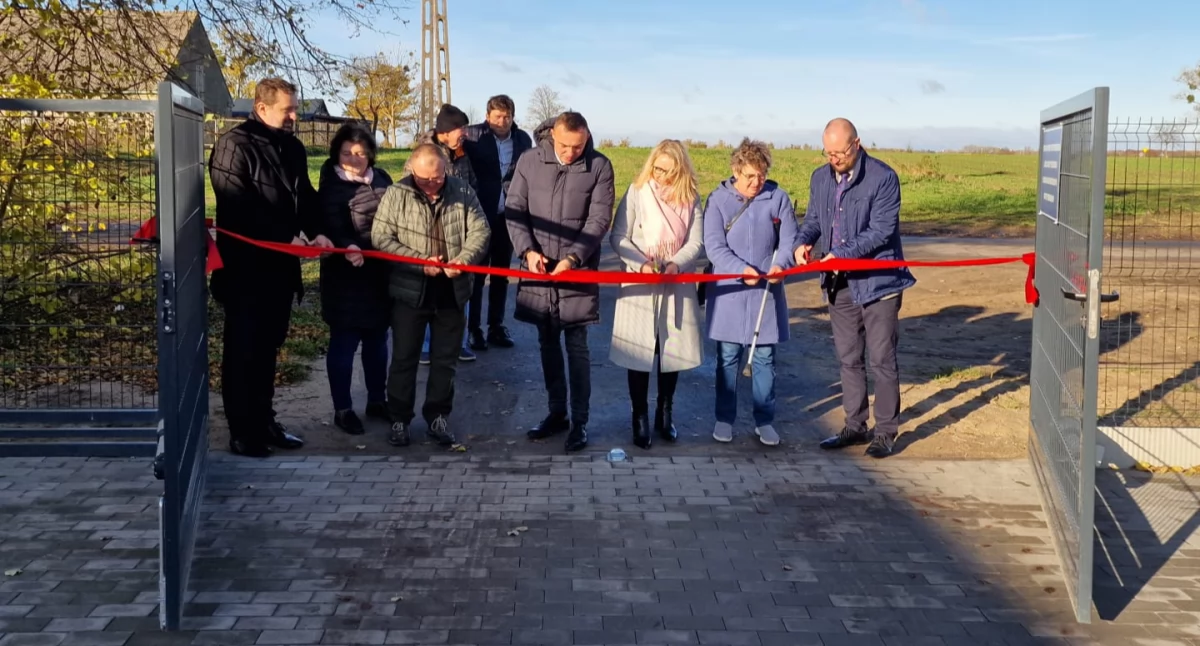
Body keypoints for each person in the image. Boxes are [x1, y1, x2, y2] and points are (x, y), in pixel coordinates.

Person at [208, 77, 334, 458]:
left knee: (268, 350)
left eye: (295, 108)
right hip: (245, 271)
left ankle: (264, 420)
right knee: (243, 351)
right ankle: (242, 431)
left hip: (281, 271)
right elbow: (236, 204)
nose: (295, 116)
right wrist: (285, 236)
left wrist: (318, 231)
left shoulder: (292, 147)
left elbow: (304, 197)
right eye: (288, 110)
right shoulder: (233, 145)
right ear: (262, 108)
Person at [795, 118, 916, 458]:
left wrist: (841, 254)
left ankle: (886, 432)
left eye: (840, 152)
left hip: (879, 284)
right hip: (840, 284)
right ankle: (855, 425)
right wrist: (803, 243)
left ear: (857, 144)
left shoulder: (883, 178)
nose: (834, 159)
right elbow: (814, 220)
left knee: (882, 359)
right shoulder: (820, 178)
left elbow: (880, 231)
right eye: (828, 153)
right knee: (848, 358)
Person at [505, 111, 615, 453]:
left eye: (578, 147)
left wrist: (573, 258)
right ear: (553, 134)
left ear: (587, 138)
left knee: (577, 347)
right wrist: (527, 251)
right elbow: (515, 209)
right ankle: (557, 412)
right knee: (547, 343)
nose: (570, 153)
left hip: (576, 272)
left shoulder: (599, 166)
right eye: (565, 146)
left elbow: (599, 219)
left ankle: (580, 421)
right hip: (538, 269)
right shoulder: (529, 160)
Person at [371, 144, 490, 448]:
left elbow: (481, 231)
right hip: (410, 292)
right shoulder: (396, 194)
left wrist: (464, 260)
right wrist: (419, 263)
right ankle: (399, 418)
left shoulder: (462, 190)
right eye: (424, 179)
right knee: (403, 358)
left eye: (437, 178)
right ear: (412, 170)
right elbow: (381, 238)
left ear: (445, 170)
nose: (432, 184)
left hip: (452, 292)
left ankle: (438, 416)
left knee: (445, 361)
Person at [609, 140, 705, 449]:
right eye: (657, 168)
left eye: (668, 171)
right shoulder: (637, 191)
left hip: (676, 281)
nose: (661, 176)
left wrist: (676, 263)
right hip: (640, 283)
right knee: (638, 352)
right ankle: (639, 416)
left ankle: (665, 411)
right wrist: (641, 264)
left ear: (680, 170)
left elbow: (696, 241)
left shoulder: (691, 197)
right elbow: (618, 236)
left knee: (670, 351)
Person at [703, 137, 798, 447]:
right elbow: (714, 246)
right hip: (730, 292)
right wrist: (739, 269)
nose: (757, 182)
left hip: (766, 294)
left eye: (761, 175)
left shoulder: (778, 198)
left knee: (765, 359)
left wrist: (781, 265)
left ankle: (764, 420)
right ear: (735, 171)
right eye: (749, 176)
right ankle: (723, 418)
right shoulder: (717, 200)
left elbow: (789, 240)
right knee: (727, 358)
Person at [317, 123, 394, 436]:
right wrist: (347, 244)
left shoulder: (383, 179)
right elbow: (329, 221)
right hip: (345, 275)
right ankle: (343, 409)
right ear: (337, 153)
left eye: (360, 153)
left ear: (371, 154)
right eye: (347, 152)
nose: (353, 159)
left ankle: (377, 400)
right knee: (344, 344)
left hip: (379, 274)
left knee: (377, 342)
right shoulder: (331, 184)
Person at [407, 103, 479, 362]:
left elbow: (471, 186)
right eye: (461, 129)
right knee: (429, 292)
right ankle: (426, 346)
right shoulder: (422, 155)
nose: (465, 134)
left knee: (460, 289)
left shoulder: (462, 153)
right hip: (428, 234)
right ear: (446, 131)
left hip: (457, 234)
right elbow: (409, 193)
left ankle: (459, 342)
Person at [462, 94, 533, 351]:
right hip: (480, 213)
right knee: (477, 274)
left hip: (508, 214)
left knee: (502, 273)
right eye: (497, 116)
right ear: (487, 116)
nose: (502, 121)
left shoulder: (522, 139)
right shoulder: (473, 136)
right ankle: (473, 328)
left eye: (507, 117)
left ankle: (496, 325)